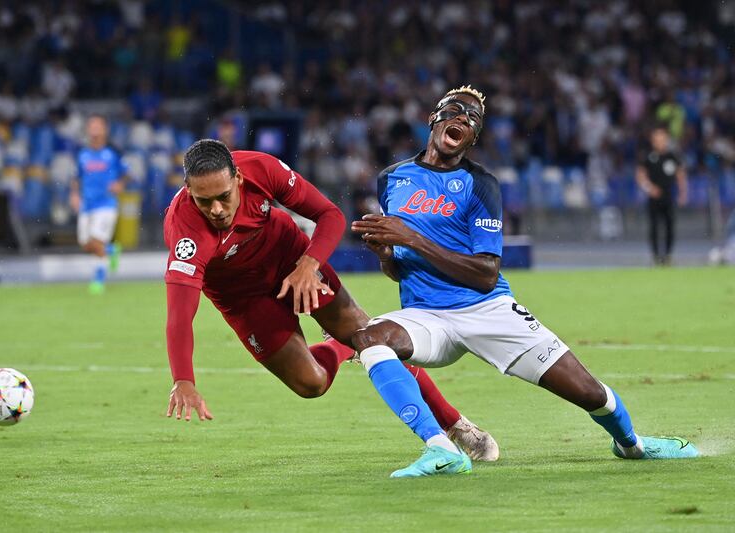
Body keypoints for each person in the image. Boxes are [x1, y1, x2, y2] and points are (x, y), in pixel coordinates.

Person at [350, 86, 699, 478]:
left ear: (474, 137)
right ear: (435, 117)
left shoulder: (480, 184)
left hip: (487, 310)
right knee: (369, 338)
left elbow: (486, 274)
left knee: (588, 392)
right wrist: (386, 254)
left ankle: (632, 444)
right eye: (456, 110)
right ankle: (440, 448)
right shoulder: (392, 179)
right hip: (426, 315)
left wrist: (411, 238)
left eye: (473, 119)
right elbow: (400, 268)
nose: (464, 118)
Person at [162, 139, 499, 461]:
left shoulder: (262, 170)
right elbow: (180, 317)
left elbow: (329, 214)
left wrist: (309, 265)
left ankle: (456, 425)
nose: (217, 210)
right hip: (243, 298)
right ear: (188, 190)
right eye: (205, 202)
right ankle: (341, 347)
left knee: (371, 338)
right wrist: (183, 381)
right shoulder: (186, 235)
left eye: (223, 196)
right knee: (312, 384)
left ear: (238, 178)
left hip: (289, 256)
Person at [70, 115, 125, 294]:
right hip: (87, 204)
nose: (94, 130)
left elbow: (127, 172)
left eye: (97, 126)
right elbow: (76, 177)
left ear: (104, 130)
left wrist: (119, 184)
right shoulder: (82, 154)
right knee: (86, 243)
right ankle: (111, 249)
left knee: (95, 241)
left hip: (106, 204)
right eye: (91, 126)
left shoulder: (112, 153)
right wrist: (75, 195)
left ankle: (99, 280)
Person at [635, 126, 688, 266]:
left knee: (670, 226)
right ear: (652, 141)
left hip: (668, 195)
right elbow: (640, 175)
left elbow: (680, 175)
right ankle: (656, 256)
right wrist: (649, 188)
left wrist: (683, 193)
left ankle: (668, 255)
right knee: (654, 227)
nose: (659, 142)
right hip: (654, 197)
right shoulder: (648, 157)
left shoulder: (672, 156)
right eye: (657, 140)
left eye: (662, 139)